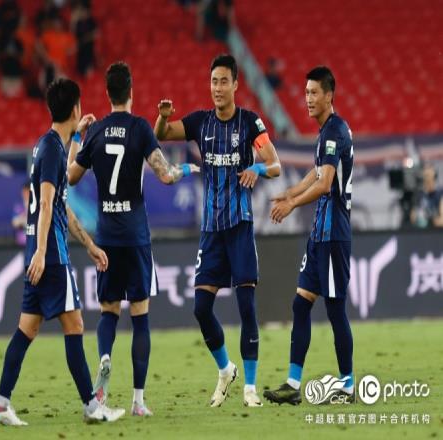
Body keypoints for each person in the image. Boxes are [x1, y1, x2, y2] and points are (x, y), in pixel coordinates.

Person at [0, 78, 125, 426]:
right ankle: (92, 406)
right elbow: (49, 203)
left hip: (38, 253)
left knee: (27, 329)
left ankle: (1, 403)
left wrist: (89, 245)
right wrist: (41, 251)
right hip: (50, 256)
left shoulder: (45, 145)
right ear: (76, 108)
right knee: (75, 325)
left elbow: (61, 194)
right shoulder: (51, 150)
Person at [67, 62, 199, 417]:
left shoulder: (96, 131)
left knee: (108, 310)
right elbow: (166, 175)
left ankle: (104, 357)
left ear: (107, 93)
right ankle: (138, 401)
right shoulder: (140, 128)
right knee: (140, 316)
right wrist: (187, 169)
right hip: (136, 236)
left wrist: (77, 137)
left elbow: (71, 177)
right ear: (131, 91)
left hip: (106, 237)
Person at [154, 54, 281, 407]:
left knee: (246, 307)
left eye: (224, 81)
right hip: (211, 230)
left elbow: (275, 164)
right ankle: (226, 369)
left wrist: (256, 168)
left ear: (236, 84)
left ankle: (250, 388)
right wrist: (162, 117)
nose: (218, 88)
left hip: (239, 226)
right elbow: (162, 134)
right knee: (201, 308)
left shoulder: (250, 123)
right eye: (214, 82)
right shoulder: (200, 122)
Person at [264, 66, 354, 405]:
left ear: (329, 95)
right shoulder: (327, 132)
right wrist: (290, 193)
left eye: (314, 93)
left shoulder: (334, 132)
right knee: (300, 304)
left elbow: (326, 183)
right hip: (320, 234)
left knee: (335, 310)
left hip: (333, 234)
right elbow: (316, 173)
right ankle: (292, 383)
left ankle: (347, 386)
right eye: (306, 93)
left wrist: (292, 205)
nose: (308, 99)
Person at [411, 164, 443, 228]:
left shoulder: (440, 193)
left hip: (435, 230)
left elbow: (441, 221)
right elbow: (413, 217)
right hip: (420, 230)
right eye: (425, 176)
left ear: (434, 177)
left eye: (429, 176)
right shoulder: (419, 194)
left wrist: (430, 221)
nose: (427, 179)